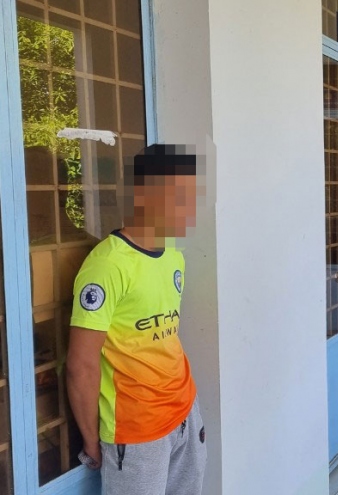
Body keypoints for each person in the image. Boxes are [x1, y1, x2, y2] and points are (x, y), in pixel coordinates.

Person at [66, 144, 206, 495]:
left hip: (185, 412)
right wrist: (92, 440)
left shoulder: (173, 256)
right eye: (178, 195)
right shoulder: (107, 265)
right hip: (137, 433)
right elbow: (81, 365)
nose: (188, 207)